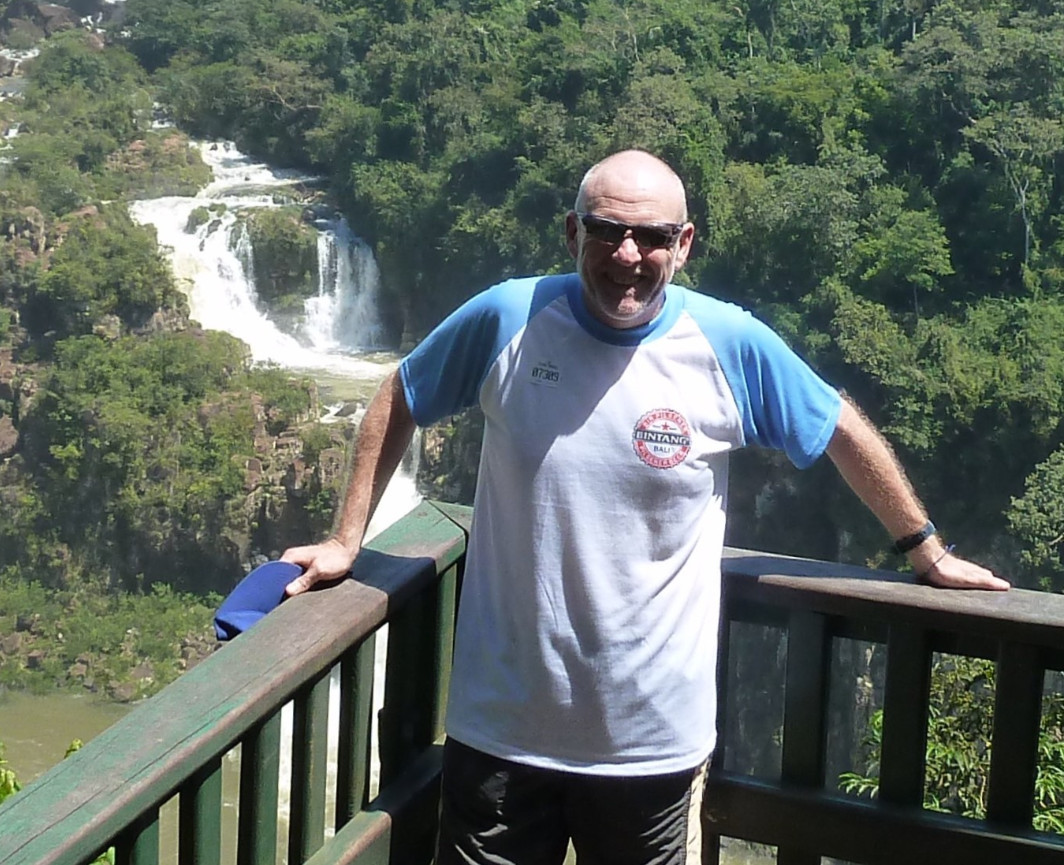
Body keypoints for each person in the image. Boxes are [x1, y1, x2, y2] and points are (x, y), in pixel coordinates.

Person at [281, 149, 1006, 865]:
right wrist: (348, 539)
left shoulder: (727, 343)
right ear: (573, 234)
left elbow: (837, 425)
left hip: (648, 746)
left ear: (682, 245)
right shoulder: (509, 317)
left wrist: (926, 548)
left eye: (653, 236)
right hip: (501, 732)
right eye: (607, 230)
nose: (628, 255)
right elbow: (401, 392)